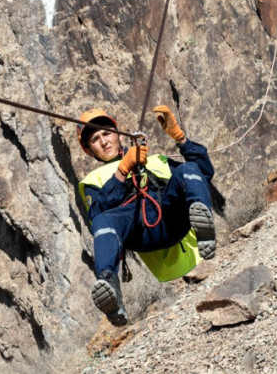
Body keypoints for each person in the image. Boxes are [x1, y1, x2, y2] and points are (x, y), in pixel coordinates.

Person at [75, 105, 217, 326]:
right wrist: (122, 171)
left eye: (107, 134)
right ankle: (109, 285)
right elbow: (97, 214)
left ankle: (205, 232)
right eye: (95, 139)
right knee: (103, 220)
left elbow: (203, 172)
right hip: (139, 233)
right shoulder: (92, 181)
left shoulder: (156, 160)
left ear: (119, 135)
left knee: (187, 170)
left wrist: (181, 139)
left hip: (171, 219)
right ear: (88, 150)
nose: (103, 142)